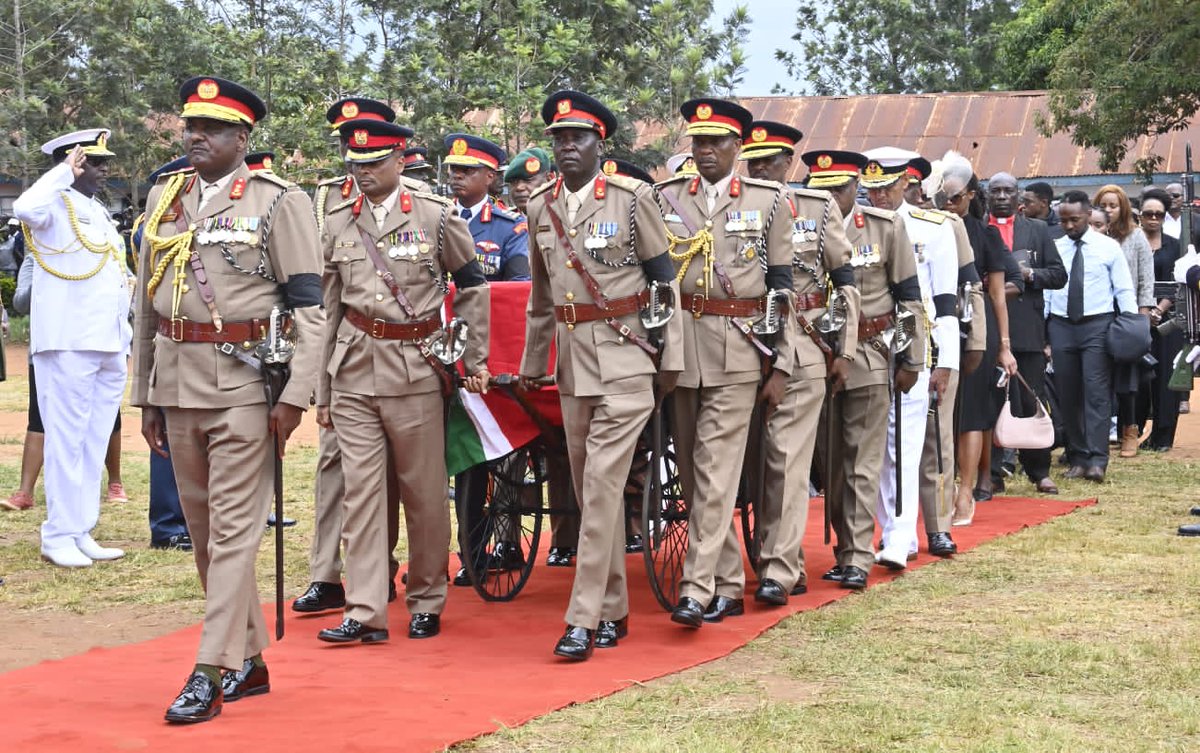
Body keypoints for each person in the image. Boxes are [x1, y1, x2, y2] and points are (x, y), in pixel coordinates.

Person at [132, 76, 325, 723]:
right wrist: (146, 395)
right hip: (177, 385)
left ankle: (207, 670)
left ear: (242, 138)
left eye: (211, 128)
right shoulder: (166, 196)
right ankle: (249, 658)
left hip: (246, 387)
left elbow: (310, 311)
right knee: (208, 537)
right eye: (191, 125)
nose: (196, 137)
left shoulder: (278, 201)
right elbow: (146, 307)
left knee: (237, 533)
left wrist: (296, 396)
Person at [519, 89, 681, 660]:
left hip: (627, 355)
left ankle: (582, 618)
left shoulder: (633, 200)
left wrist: (670, 362)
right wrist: (533, 364)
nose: (567, 147)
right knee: (596, 496)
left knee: (602, 484)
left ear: (599, 144)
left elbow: (665, 283)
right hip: (573, 365)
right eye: (559, 138)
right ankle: (613, 608)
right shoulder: (541, 207)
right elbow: (542, 297)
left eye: (577, 138)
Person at [316, 118, 490, 646]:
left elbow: (473, 287)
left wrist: (473, 354)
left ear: (399, 161)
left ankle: (426, 597)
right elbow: (329, 308)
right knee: (361, 495)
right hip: (352, 369)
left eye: (373, 164)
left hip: (416, 366)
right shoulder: (339, 220)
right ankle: (365, 609)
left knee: (423, 493)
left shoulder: (436, 217)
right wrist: (321, 389)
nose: (363, 174)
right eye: (355, 165)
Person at [656, 98, 797, 627]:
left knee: (715, 470)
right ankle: (730, 582)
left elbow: (783, 287)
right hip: (681, 345)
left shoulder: (769, 200)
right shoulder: (666, 197)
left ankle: (695, 588)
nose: (705, 151)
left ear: (738, 148)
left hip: (739, 347)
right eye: (698, 142)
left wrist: (781, 362)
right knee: (695, 477)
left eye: (716, 142)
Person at [294, 96, 406, 614]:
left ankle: (377, 569)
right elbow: (319, 291)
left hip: (400, 356)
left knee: (392, 474)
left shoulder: (413, 197)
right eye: (346, 142)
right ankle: (327, 574)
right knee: (334, 465)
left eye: (364, 141)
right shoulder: (324, 200)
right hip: (344, 352)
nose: (354, 152)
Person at [740, 121, 859, 602]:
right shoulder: (731, 207)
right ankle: (761, 558)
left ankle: (778, 568)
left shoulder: (815, 206)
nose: (761, 169)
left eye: (770, 162)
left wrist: (845, 349)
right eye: (754, 161)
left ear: (788, 163)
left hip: (804, 345)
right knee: (747, 464)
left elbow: (846, 283)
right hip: (736, 345)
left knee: (784, 461)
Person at [806, 149, 926, 589]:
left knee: (861, 461)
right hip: (813, 356)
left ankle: (857, 555)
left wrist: (912, 357)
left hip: (872, 354)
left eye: (839, 189)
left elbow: (908, 297)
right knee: (829, 464)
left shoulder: (884, 227)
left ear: (857, 187)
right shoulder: (797, 224)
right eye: (821, 190)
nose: (831, 198)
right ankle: (844, 546)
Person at [12, 128, 131, 568]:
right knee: (65, 439)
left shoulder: (95, 211)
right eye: (94, 162)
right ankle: (57, 534)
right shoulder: (50, 205)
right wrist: (62, 172)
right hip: (67, 341)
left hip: (106, 339)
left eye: (104, 162)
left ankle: (81, 529)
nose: (104, 169)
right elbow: (24, 205)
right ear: (73, 162)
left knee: (92, 439)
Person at [861, 147, 959, 568]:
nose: (878, 196)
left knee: (905, 441)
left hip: (915, 346)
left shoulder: (934, 228)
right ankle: (891, 529)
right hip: (867, 345)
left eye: (886, 187)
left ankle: (899, 534)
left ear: (907, 184)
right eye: (871, 189)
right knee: (874, 446)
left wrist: (946, 361)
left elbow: (947, 300)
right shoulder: (857, 225)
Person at [927, 155, 1020, 528]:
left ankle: (966, 491)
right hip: (935, 326)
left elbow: (998, 294)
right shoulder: (929, 228)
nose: (948, 204)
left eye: (954, 198)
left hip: (977, 331)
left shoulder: (986, 234)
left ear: (969, 195)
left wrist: (1005, 345)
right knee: (942, 412)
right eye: (942, 198)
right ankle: (943, 489)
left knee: (972, 415)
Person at [1045, 191, 1137, 483]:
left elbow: (1123, 289)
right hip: (1061, 325)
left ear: (1088, 215)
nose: (1069, 226)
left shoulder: (1108, 248)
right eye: (1063, 221)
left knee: (1096, 393)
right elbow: (1048, 291)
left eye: (1074, 220)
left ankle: (1098, 459)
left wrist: (1132, 325)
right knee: (1068, 393)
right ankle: (1079, 456)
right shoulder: (1055, 247)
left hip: (1097, 325)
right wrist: (1044, 331)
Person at [986, 171, 1067, 494]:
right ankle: (991, 472)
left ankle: (1038, 470)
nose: (1003, 196)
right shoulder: (979, 229)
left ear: (1019, 196)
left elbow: (1059, 274)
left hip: (1027, 327)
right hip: (987, 326)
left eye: (1009, 190)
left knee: (1032, 397)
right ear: (987, 196)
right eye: (996, 191)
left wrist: (1029, 274)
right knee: (990, 400)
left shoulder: (1037, 230)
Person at [1093, 184, 1154, 457]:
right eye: (1103, 205)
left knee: (1128, 376)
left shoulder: (1136, 236)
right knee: (1099, 373)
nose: (1108, 210)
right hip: (1097, 312)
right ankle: (1098, 432)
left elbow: (1146, 279)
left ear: (1123, 208)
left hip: (1126, 314)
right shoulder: (1091, 236)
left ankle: (1130, 430)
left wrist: (1142, 317)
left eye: (1113, 205)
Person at [1138, 189, 1183, 450]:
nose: (1153, 218)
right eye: (1148, 214)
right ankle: (1136, 430)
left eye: (1159, 214)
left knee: (1167, 378)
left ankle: (1163, 436)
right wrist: (1143, 311)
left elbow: (1179, 282)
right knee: (1142, 379)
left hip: (1166, 323)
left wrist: (1158, 310)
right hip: (1136, 319)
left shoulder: (1174, 245)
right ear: (1140, 215)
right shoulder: (1131, 243)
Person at [503, 147, 553, 215]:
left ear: (549, 180)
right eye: (514, 182)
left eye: (528, 180)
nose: (519, 187)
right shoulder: (506, 222)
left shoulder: (567, 217)